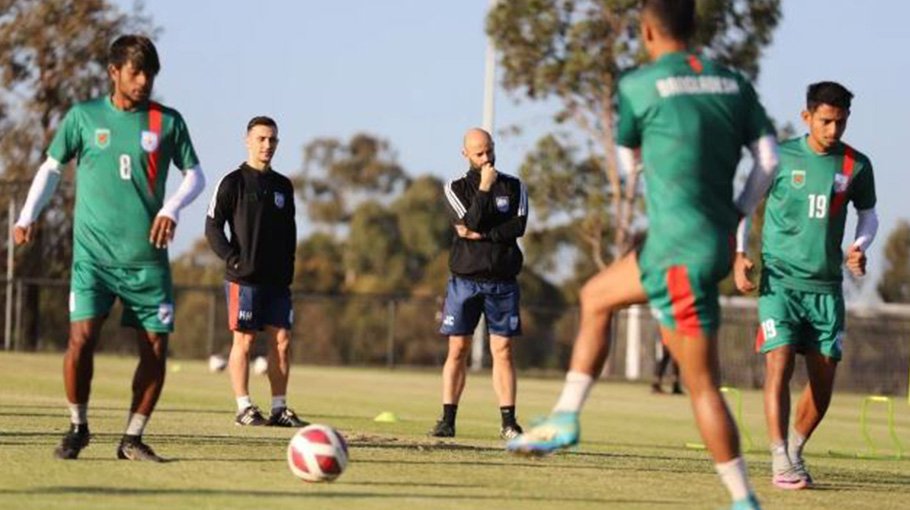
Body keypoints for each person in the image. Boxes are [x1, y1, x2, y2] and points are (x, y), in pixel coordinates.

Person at [506, 1, 779, 508]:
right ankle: (566, 416)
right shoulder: (733, 82)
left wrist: (650, 171)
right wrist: (737, 214)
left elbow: (632, 159)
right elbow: (769, 157)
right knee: (596, 296)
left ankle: (744, 499)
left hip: (676, 252)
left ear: (647, 30)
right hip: (700, 245)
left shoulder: (638, 84)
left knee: (702, 388)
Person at [14, 35, 206, 461]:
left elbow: (195, 175)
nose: (144, 81)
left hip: (146, 259)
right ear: (114, 72)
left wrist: (172, 208)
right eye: (136, 72)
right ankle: (78, 427)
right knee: (80, 340)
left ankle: (132, 438)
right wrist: (27, 216)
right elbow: (51, 169)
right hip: (93, 258)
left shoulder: (166, 123)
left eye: (150, 73)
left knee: (156, 348)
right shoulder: (83, 117)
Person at [734, 82, 877, 490]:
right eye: (826, 121)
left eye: (841, 122)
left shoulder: (856, 166)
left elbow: (868, 215)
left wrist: (860, 246)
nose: (833, 130)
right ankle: (779, 455)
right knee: (778, 361)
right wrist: (740, 254)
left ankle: (795, 449)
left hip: (827, 288)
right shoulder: (778, 157)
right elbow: (743, 208)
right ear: (807, 117)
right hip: (780, 281)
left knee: (823, 380)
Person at [205, 116, 307, 428]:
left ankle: (279, 408)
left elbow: (290, 231)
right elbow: (212, 226)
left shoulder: (283, 186)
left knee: (282, 341)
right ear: (247, 141)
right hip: (244, 279)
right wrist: (231, 258)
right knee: (245, 343)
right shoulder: (233, 182)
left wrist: (289, 266)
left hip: (277, 281)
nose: (267, 145)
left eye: (272, 140)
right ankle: (244, 407)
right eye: (261, 139)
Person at [431, 127, 529, 440]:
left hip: (503, 282)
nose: (487, 158)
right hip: (465, 282)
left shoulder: (514, 186)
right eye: (479, 153)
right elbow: (468, 221)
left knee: (503, 350)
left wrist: (484, 234)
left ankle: (509, 423)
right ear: (466, 154)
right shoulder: (455, 188)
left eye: (489, 150)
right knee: (457, 348)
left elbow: (518, 226)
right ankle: (447, 420)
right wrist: (485, 189)